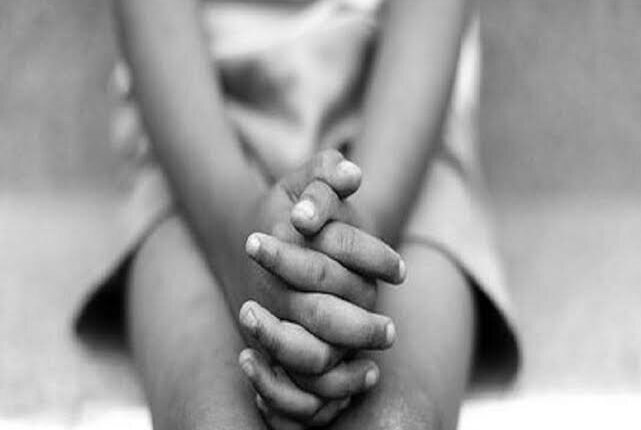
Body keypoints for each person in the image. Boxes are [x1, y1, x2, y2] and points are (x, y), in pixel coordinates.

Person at [77, 0, 519, 428]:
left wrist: (360, 242)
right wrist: (239, 236)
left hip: (400, 140)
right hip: (197, 144)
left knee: (398, 420)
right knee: (211, 418)